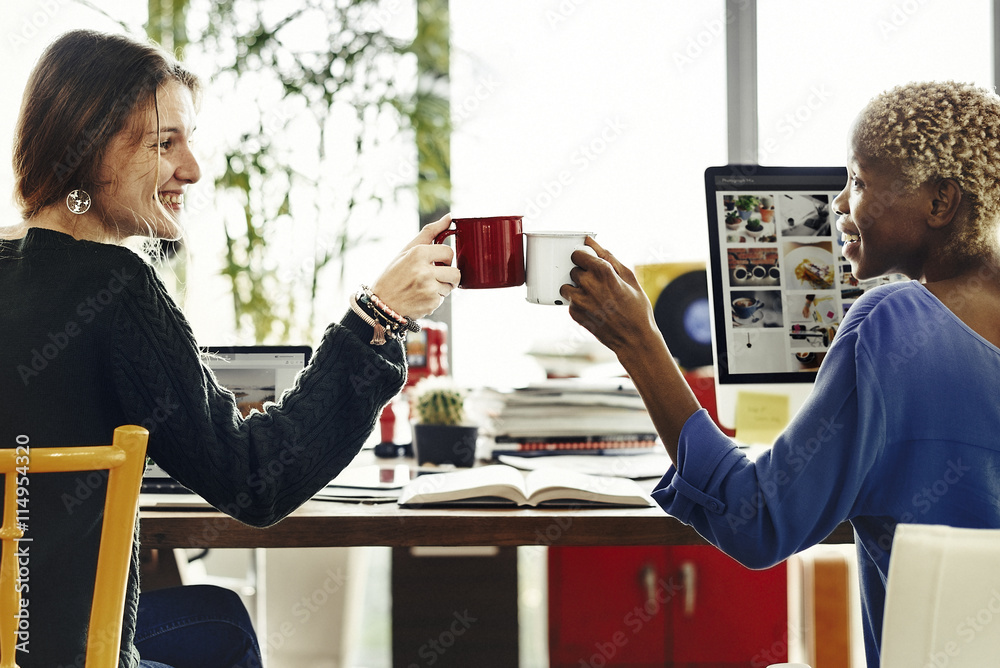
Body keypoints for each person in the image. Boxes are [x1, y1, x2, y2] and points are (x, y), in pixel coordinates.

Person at [0, 29, 459, 668]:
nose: (191, 169)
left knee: (217, 621)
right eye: (165, 145)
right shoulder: (113, 286)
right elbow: (256, 479)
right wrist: (375, 317)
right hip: (67, 656)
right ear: (93, 151)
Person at [561, 80, 1000, 667]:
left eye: (861, 183)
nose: (840, 205)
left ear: (940, 203)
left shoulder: (891, 324)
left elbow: (759, 520)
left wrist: (638, 342)